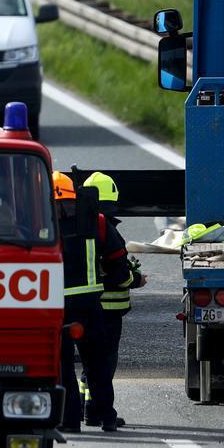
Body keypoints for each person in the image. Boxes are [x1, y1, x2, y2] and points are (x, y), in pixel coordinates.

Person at [54, 170, 108, 433]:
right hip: (90, 305)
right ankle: (106, 418)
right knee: (97, 364)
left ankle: (71, 421)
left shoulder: (44, 225)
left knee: (64, 366)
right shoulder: (95, 221)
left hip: (60, 307)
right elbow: (116, 258)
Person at [87, 170, 140, 431]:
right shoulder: (107, 231)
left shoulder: (80, 228)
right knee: (105, 362)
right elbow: (119, 274)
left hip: (87, 306)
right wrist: (135, 278)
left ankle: (89, 409)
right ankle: (99, 410)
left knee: (90, 360)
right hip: (109, 311)